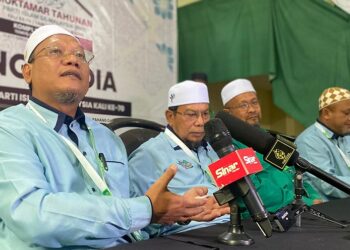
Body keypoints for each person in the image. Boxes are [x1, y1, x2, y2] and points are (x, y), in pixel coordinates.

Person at [0, 25, 224, 249]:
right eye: (55, 51)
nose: (72, 60)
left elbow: (129, 212)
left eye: (80, 55)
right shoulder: (10, 128)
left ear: (89, 77)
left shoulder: (108, 138)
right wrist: (146, 209)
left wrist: (174, 211)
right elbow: (32, 215)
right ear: (27, 72)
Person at [128, 80, 230, 237]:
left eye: (205, 114)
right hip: (188, 234)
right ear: (170, 116)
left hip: (232, 224)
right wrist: (185, 215)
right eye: (191, 115)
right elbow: (139, 221)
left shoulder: (213, 148)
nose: (201, 122)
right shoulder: (148, 154)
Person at [220, 79, 322, 213]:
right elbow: (255, 194)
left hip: (299, 210)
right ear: (228, 114)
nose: (252, 110)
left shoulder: (267, 138)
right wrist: (306, 202)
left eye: (254, 102)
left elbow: (294, 171)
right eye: (243, 105)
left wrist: (314, 197)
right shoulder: (226, 148)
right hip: (265, 219)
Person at [295, 87, 350, 201]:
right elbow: (328, 184)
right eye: (347, 113)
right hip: (329, 211)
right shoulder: (309, 141)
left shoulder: (345, 134)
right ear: (326, 114)